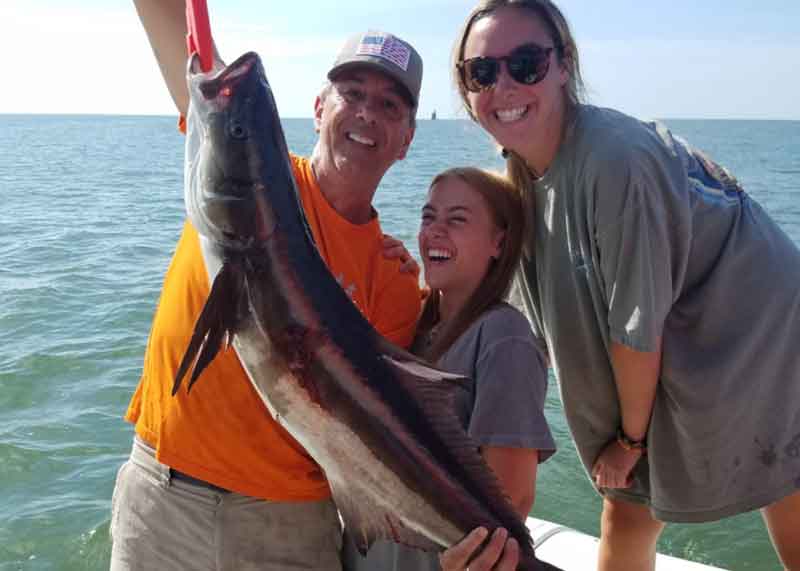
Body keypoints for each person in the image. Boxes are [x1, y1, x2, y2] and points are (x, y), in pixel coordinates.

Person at [442, 1, 800, 570]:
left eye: (527, 62)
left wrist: (629, 442)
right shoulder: (524, 172)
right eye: (482, 72)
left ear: (564, 64)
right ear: (466, 87)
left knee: (781, 476)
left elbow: (636, 329)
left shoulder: (615, 159)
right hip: (692, 324)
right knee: (633, 508)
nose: (503, 84)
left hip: (756, 327)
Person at [110, 2, 424, 570]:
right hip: (162, 497)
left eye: (389, 104)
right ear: (318, 107)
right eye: (351, 92)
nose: (366, 114)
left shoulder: (397, 282)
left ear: (407, 139)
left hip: (289, 527)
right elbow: (165, 18)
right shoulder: (239, 157)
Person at [342, 167, 556, 571]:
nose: (436, 231)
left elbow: (512, 498)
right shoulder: (413, 321)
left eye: (457, 219)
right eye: (429, 217)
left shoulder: (504, 336)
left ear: (499, 242)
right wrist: (391, 286)